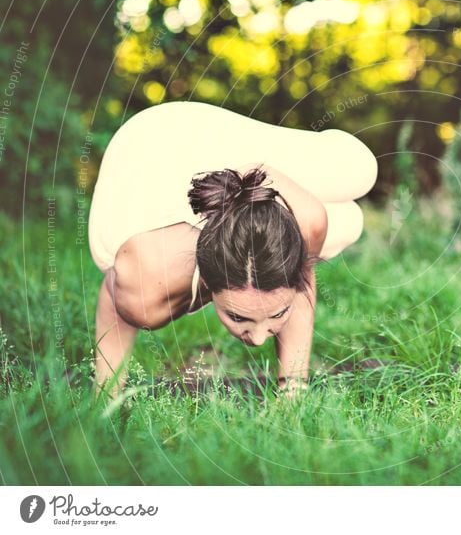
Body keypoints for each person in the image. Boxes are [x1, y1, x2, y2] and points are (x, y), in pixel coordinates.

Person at [88, 100, 378, 398]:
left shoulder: (308, 222)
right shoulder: (146, 278)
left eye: (278, 313)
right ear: (208, 283)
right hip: (150, 144)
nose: (258, 339)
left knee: (359, 186)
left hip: (220, 149)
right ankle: (252, 182)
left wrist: (293, 389)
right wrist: (106, 394)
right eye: (239, 318)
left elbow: (302, 282)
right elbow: (113, 304)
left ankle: (253, 178)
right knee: (348, 218)